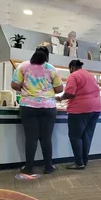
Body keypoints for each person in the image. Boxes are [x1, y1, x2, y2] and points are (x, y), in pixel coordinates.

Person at [11, 46, 64, 174]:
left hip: (28, 107)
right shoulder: (51, 69)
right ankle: (48, 167)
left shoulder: (23, 66)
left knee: (31, 138)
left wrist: (26, 87)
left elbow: (14, 85)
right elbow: (59, 89)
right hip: (48, 107)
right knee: (46, 138)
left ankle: (28, 168)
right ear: (47, 57)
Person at [56, 60, 101, 170]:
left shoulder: (73, 75)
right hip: (96, 108)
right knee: (87, 135)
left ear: (72, 67)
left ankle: (78, 163)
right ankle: (83, 161)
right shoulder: (89, 75)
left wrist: (60, 98)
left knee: (75, 136)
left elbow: (70, 93)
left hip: (80, 109)